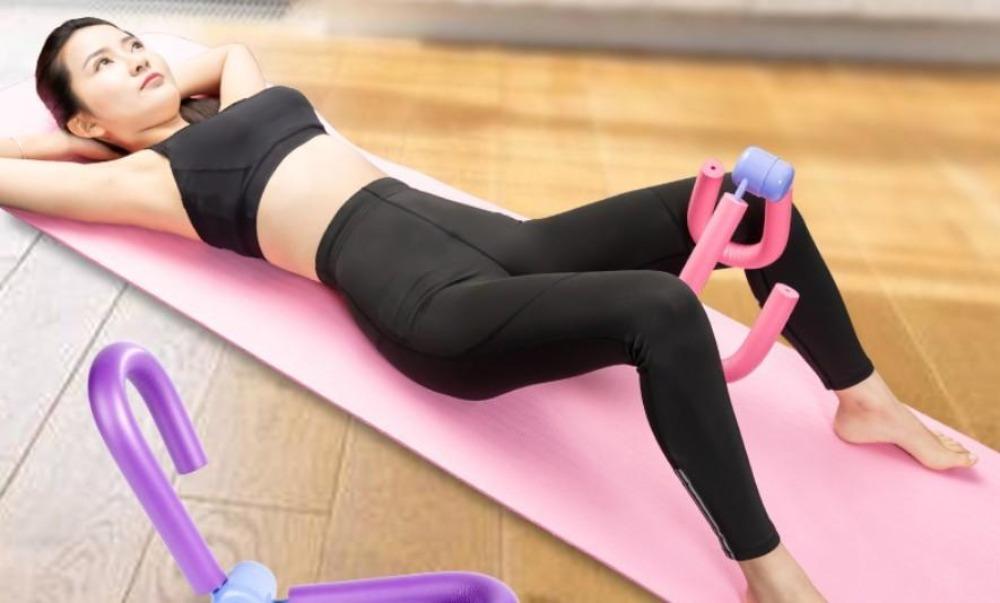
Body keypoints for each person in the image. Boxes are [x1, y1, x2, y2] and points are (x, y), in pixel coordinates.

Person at [0, 16, 977, 603]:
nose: (132, 58)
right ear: (83, 119)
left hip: (511, 246)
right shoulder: (148, 180)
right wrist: (89, 148)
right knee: (660, 312)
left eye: (129, 42)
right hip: (433, 305)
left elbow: (227, 52)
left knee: (752, 200)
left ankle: (862, 397)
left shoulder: (240, 92)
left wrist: (130, 92)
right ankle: (764, 566)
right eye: (102, 66)